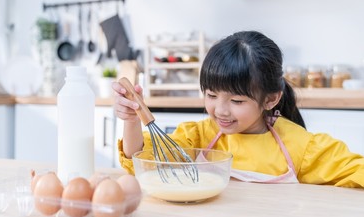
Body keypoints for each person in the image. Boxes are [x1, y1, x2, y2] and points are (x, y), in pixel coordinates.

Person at [112, 30, 364, 187]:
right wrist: (132, 120)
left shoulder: (301, 147)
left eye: (237, 101)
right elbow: (142, 162)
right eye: (211, 95)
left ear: (270, 99)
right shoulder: (198, 137)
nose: (220, 110)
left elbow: (356, 171)